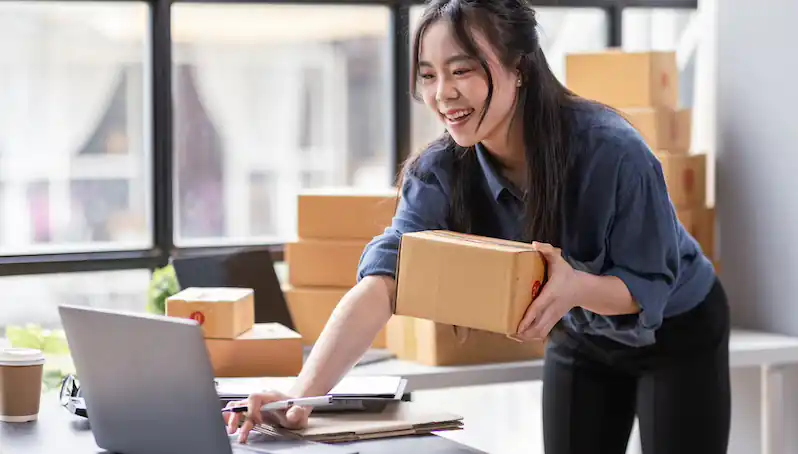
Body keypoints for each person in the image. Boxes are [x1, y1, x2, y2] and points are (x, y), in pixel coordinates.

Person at [225, 0, 731, 452]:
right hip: (580, 338)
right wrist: (300, 395)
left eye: (461, 69)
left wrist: (575, 285)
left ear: (520, 69)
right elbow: (382, 284)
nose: (443, 94)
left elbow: (649, 285)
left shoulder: (613, 151)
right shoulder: (440, 172)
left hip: (677, 331)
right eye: (427, 75)